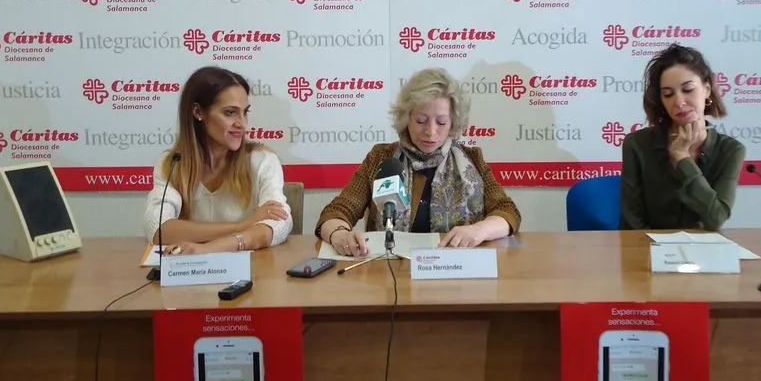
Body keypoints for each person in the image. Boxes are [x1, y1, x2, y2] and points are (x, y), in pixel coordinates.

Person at [315, 67, 521, 256]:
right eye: (421, 121)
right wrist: (340, 235)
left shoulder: (472, 160)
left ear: (453, 123)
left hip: (456, 272)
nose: (430, 132)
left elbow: (507, 212)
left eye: (441, 122)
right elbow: (337, 212)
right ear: (406, 119)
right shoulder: (381, 158)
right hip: (392, 274)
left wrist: (479, 230)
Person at [142, 66, 292, 255]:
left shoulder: (262, 160)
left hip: (252, 274)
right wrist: (243, 225)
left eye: (245, 112)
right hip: (188, 275)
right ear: (198, 112)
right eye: (230, 113)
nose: (242, 123)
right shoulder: (172, 163)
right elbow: (157, 229)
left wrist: (208, 248)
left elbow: (279, 224)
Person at [620, 44, 746, 231]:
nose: (679, 102)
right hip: (646, 250)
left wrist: (682, 158)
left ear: (707, 90)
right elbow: (632, 222)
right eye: (668, 94)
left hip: (703, 252)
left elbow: (716, 218)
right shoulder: (637, 144)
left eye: (688, 90)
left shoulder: (730, 150)